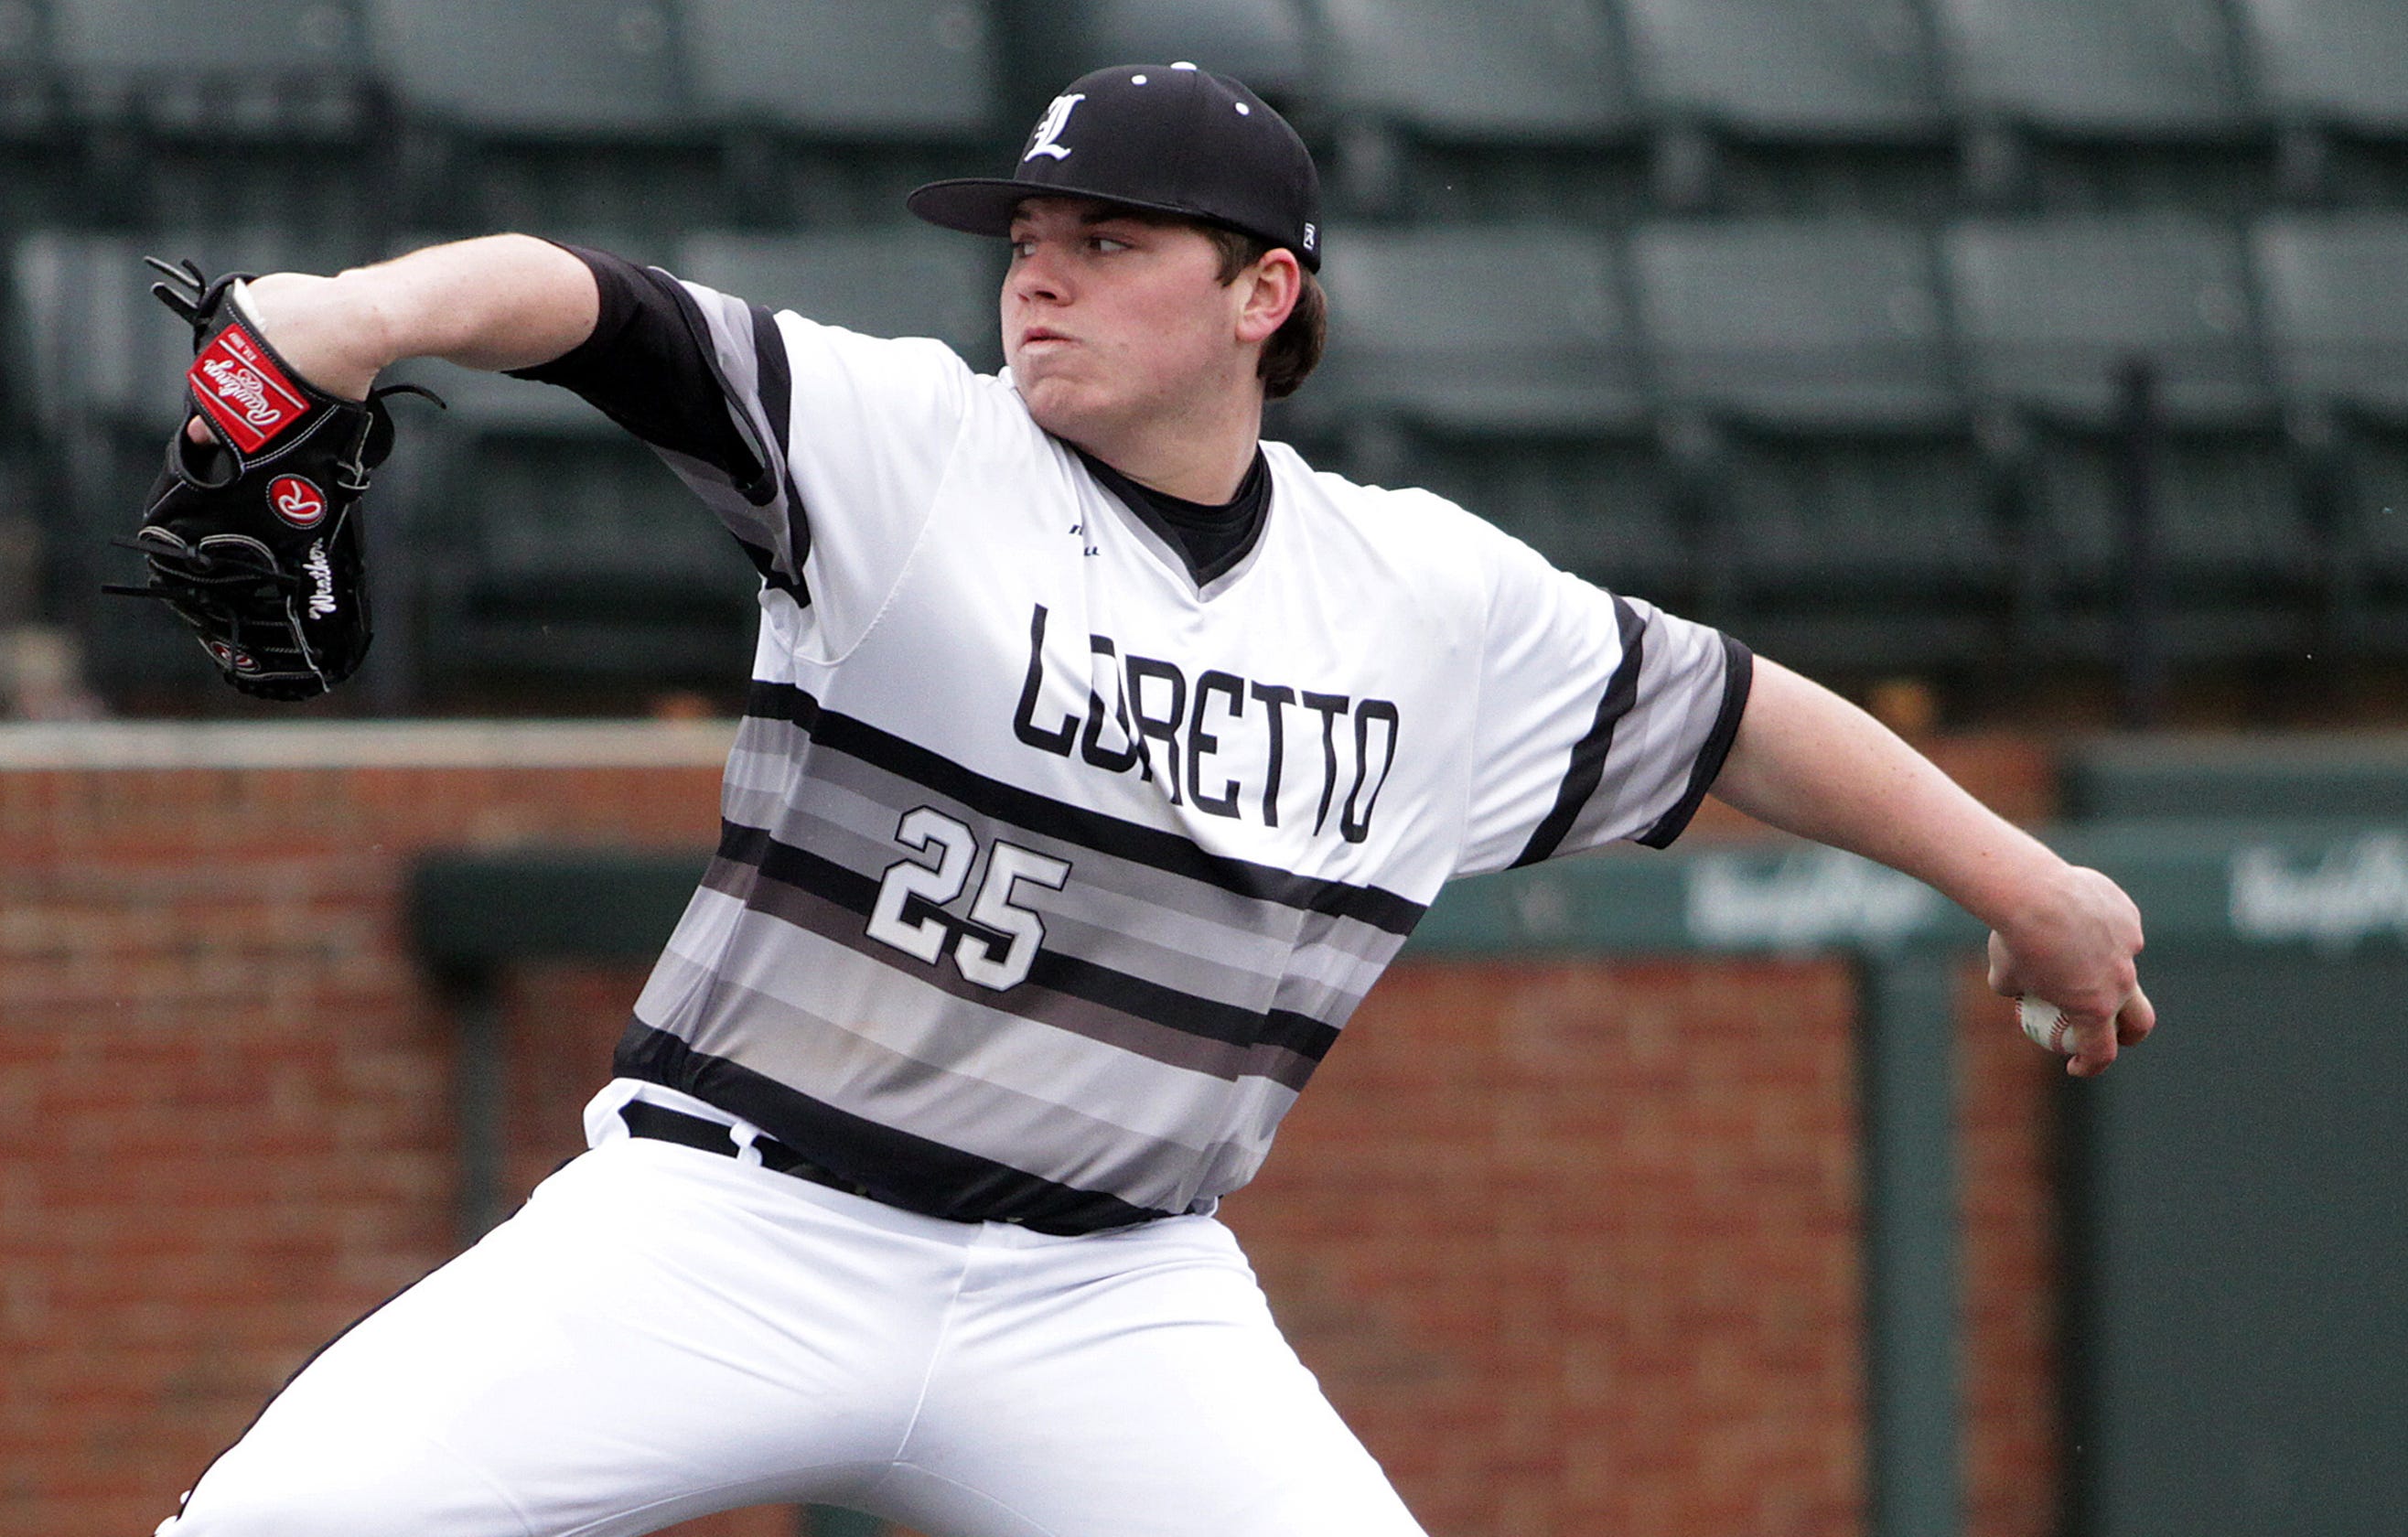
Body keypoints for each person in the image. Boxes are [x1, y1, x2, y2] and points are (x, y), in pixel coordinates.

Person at [155, 63, 2153, 1537]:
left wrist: (2032, 885)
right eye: (1028, 240)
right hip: (728, 1228)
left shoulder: (1422, 599)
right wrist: (350, 316)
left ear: (1263, 294)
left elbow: (1734, 719)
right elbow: (582, 302)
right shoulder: (914, 453)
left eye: (1106, 244)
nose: (1039, 279)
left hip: (1106, 1297)